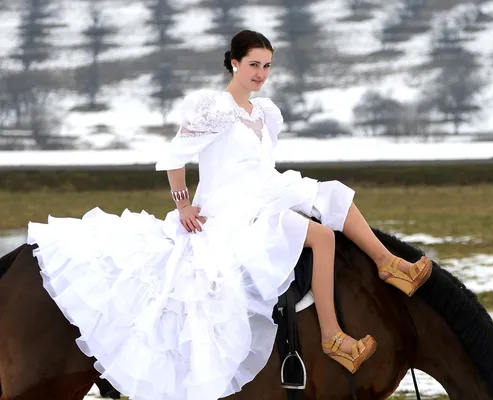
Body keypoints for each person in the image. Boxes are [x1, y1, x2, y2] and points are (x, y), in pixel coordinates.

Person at [27, 30, 432, 400]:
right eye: (254, 64)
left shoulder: (264, 113)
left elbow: (257, 167)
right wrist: (183, 204)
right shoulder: (214, 108)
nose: (261, 73)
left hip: (264, 193)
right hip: (231, 210)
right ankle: (332, 336)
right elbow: (174, 156)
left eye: (267, 66)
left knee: (333, 196)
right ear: (234, 62)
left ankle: (390, 264)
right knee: (321, 237)